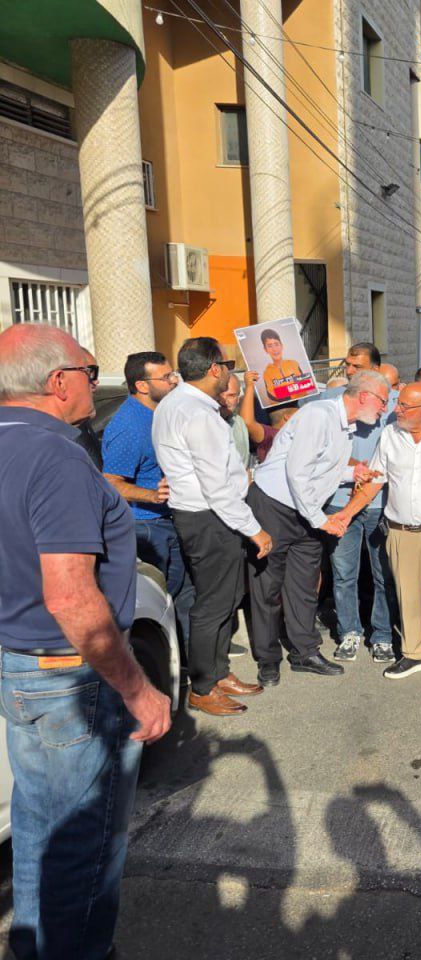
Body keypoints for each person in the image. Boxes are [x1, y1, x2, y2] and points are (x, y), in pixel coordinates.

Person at [0, 324, 171, 959]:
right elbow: (71, 595)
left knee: (38, 828)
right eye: (88, 370)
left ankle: (34, 946)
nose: (94, 383)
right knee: (84, 845)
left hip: (20, 666)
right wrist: (139, 690)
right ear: (57, 381)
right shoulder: (57, 456)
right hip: (72, 675)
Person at [154, 338, 272, 717]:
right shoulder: (197, 413)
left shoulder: (178, 403)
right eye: (227, 364)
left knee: (226, 597)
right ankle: (203, 687)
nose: (229, 371)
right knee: (213, 605)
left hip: (206, 516)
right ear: (214, 369)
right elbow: (217, 486)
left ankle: (219, 673)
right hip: (210, 518)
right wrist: (254, 529)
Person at [247, 370, 388, 685]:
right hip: (274, 506)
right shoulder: (318, 415)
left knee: (304, 585)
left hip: (305, 512)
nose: (384, 408)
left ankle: (304, 652)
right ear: (364, 396)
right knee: (267, 588)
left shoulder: (346, 426)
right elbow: (298, 473)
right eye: (382, 401)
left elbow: (324, 470)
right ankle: (268, 659)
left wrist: (353, 474)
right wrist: (321, 520)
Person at [332, 382, 421, 684]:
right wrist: (347, 513)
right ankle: (414, 653)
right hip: (400, 531)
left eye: (404, 405)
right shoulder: (391, 435)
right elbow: (375, 482)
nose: (396, 409)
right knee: (408, 595)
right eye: (398, 403)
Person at [102, 351, 194, 648]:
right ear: (142, 385)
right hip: (145, 528)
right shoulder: (128, 425)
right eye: (166, 377)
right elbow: (111, 483)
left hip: (169, 520)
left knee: (183, 596)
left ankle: (193, 668)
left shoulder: (160, 413)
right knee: (156, 602)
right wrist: (153, 495)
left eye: (173, 374)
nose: (174, 381)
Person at [260, 327, 308, 402]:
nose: (274, 349)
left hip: (301, 402)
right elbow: (272, 394)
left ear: (282, 345)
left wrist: (283, 391)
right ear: (265, 349)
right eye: (270, 346)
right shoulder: (267, 373)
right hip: (284, 407)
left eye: (276, 344)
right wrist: (294, 389)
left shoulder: (294, 364)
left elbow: (304, 384)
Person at [219, 372, 251, 469]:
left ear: (238, 398)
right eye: (221, 394)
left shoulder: (239, 422)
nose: (225, 401)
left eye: (231, 395)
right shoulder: (205, 423)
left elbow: (245, 463)